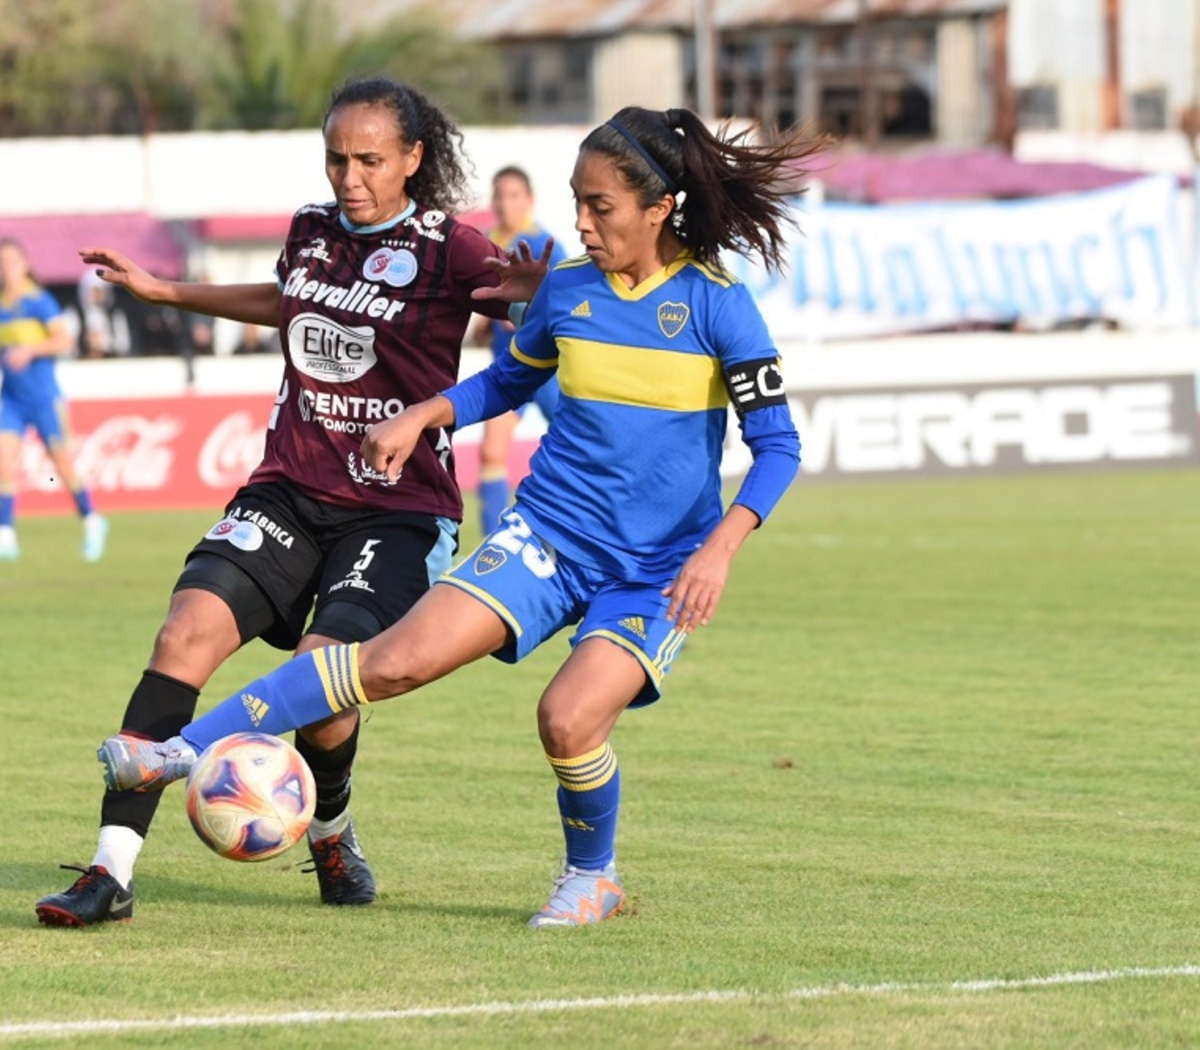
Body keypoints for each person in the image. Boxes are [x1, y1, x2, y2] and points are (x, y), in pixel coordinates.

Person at [97, 105, 821, 928]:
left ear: (660, 208)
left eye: (601, 208)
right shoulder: (569, 291)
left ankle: (594, 877)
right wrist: (423, 415)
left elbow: (779, 446)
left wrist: (720, 548)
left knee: (568, 718)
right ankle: (178, 753)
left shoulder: (718, 306)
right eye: (576, 201)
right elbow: (508, 382)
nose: (580, 224)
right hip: (546, 534)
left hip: (658, 567)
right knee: (391, 662)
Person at [37, 76, 548, 926]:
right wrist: (167, 293)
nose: (350, 176)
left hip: (399, 508)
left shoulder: (452, 247)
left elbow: (526, 302)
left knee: (322, 679)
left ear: (413, 160)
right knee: (183, 632)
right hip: (289, 485)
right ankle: (108, 873)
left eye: (370, 160)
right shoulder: (311, 230)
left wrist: (543, 289)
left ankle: (332, 832)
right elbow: (287, 307)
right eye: (337, 157)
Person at [0, 238, 108, 563]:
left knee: (62, 464)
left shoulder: (39, 301)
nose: (6, 267)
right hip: (12, 399)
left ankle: (92, 520)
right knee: (3, 462)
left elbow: (64, 339)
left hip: (45, 399)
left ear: (24, 264)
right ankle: (6, 533)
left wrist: (31, 350)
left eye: (11, 261)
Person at [474, 166, 567, 535]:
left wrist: (526, 316)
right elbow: (486, 310)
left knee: (573, 451)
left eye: (514, 195)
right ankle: (492, 548)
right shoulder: (485, 245)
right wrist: (486, 325)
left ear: (529, 199)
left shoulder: (547, 245)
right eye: (500, 194)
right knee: (491, 454)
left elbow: (563, 305)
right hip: (508, 372)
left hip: (547, 372)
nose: (505, 203)